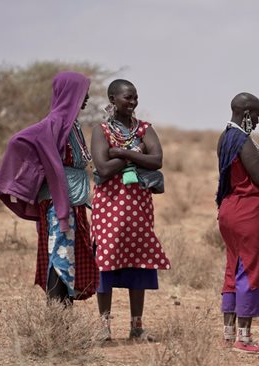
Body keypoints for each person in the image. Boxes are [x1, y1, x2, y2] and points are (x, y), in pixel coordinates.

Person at [0, 71, 98, 304]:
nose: (88, 98)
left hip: (73, 200)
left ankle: (63, 314)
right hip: (59, 201)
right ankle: (56, 315)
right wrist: (32, 172)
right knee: (60, 253)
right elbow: (18, 141)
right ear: (71, 94)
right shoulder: (52, 124)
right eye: (84, 93)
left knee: (67, 253)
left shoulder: (71, 125)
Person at [90, 79, 170, 341]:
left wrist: (119, 153)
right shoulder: (100, 130)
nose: (133, 102)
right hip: (109, 206)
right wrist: (135, 153)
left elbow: (156, 160)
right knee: (106, 262)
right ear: (113, 99)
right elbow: (102, 168)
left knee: (140, 262)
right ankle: (104, 328)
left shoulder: (145, 129)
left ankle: (137, 327)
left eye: (135, 97)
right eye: (127, 98)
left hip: (138, 207)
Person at [216, 92, 259, 354]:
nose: (256, 121)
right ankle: (244, 339)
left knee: (234, 269)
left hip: (231, 211)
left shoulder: (226, 137)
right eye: (255, 116)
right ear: (246, 114)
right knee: (251, 270)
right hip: (248, 214)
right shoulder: (241, 139)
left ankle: (228, 335)